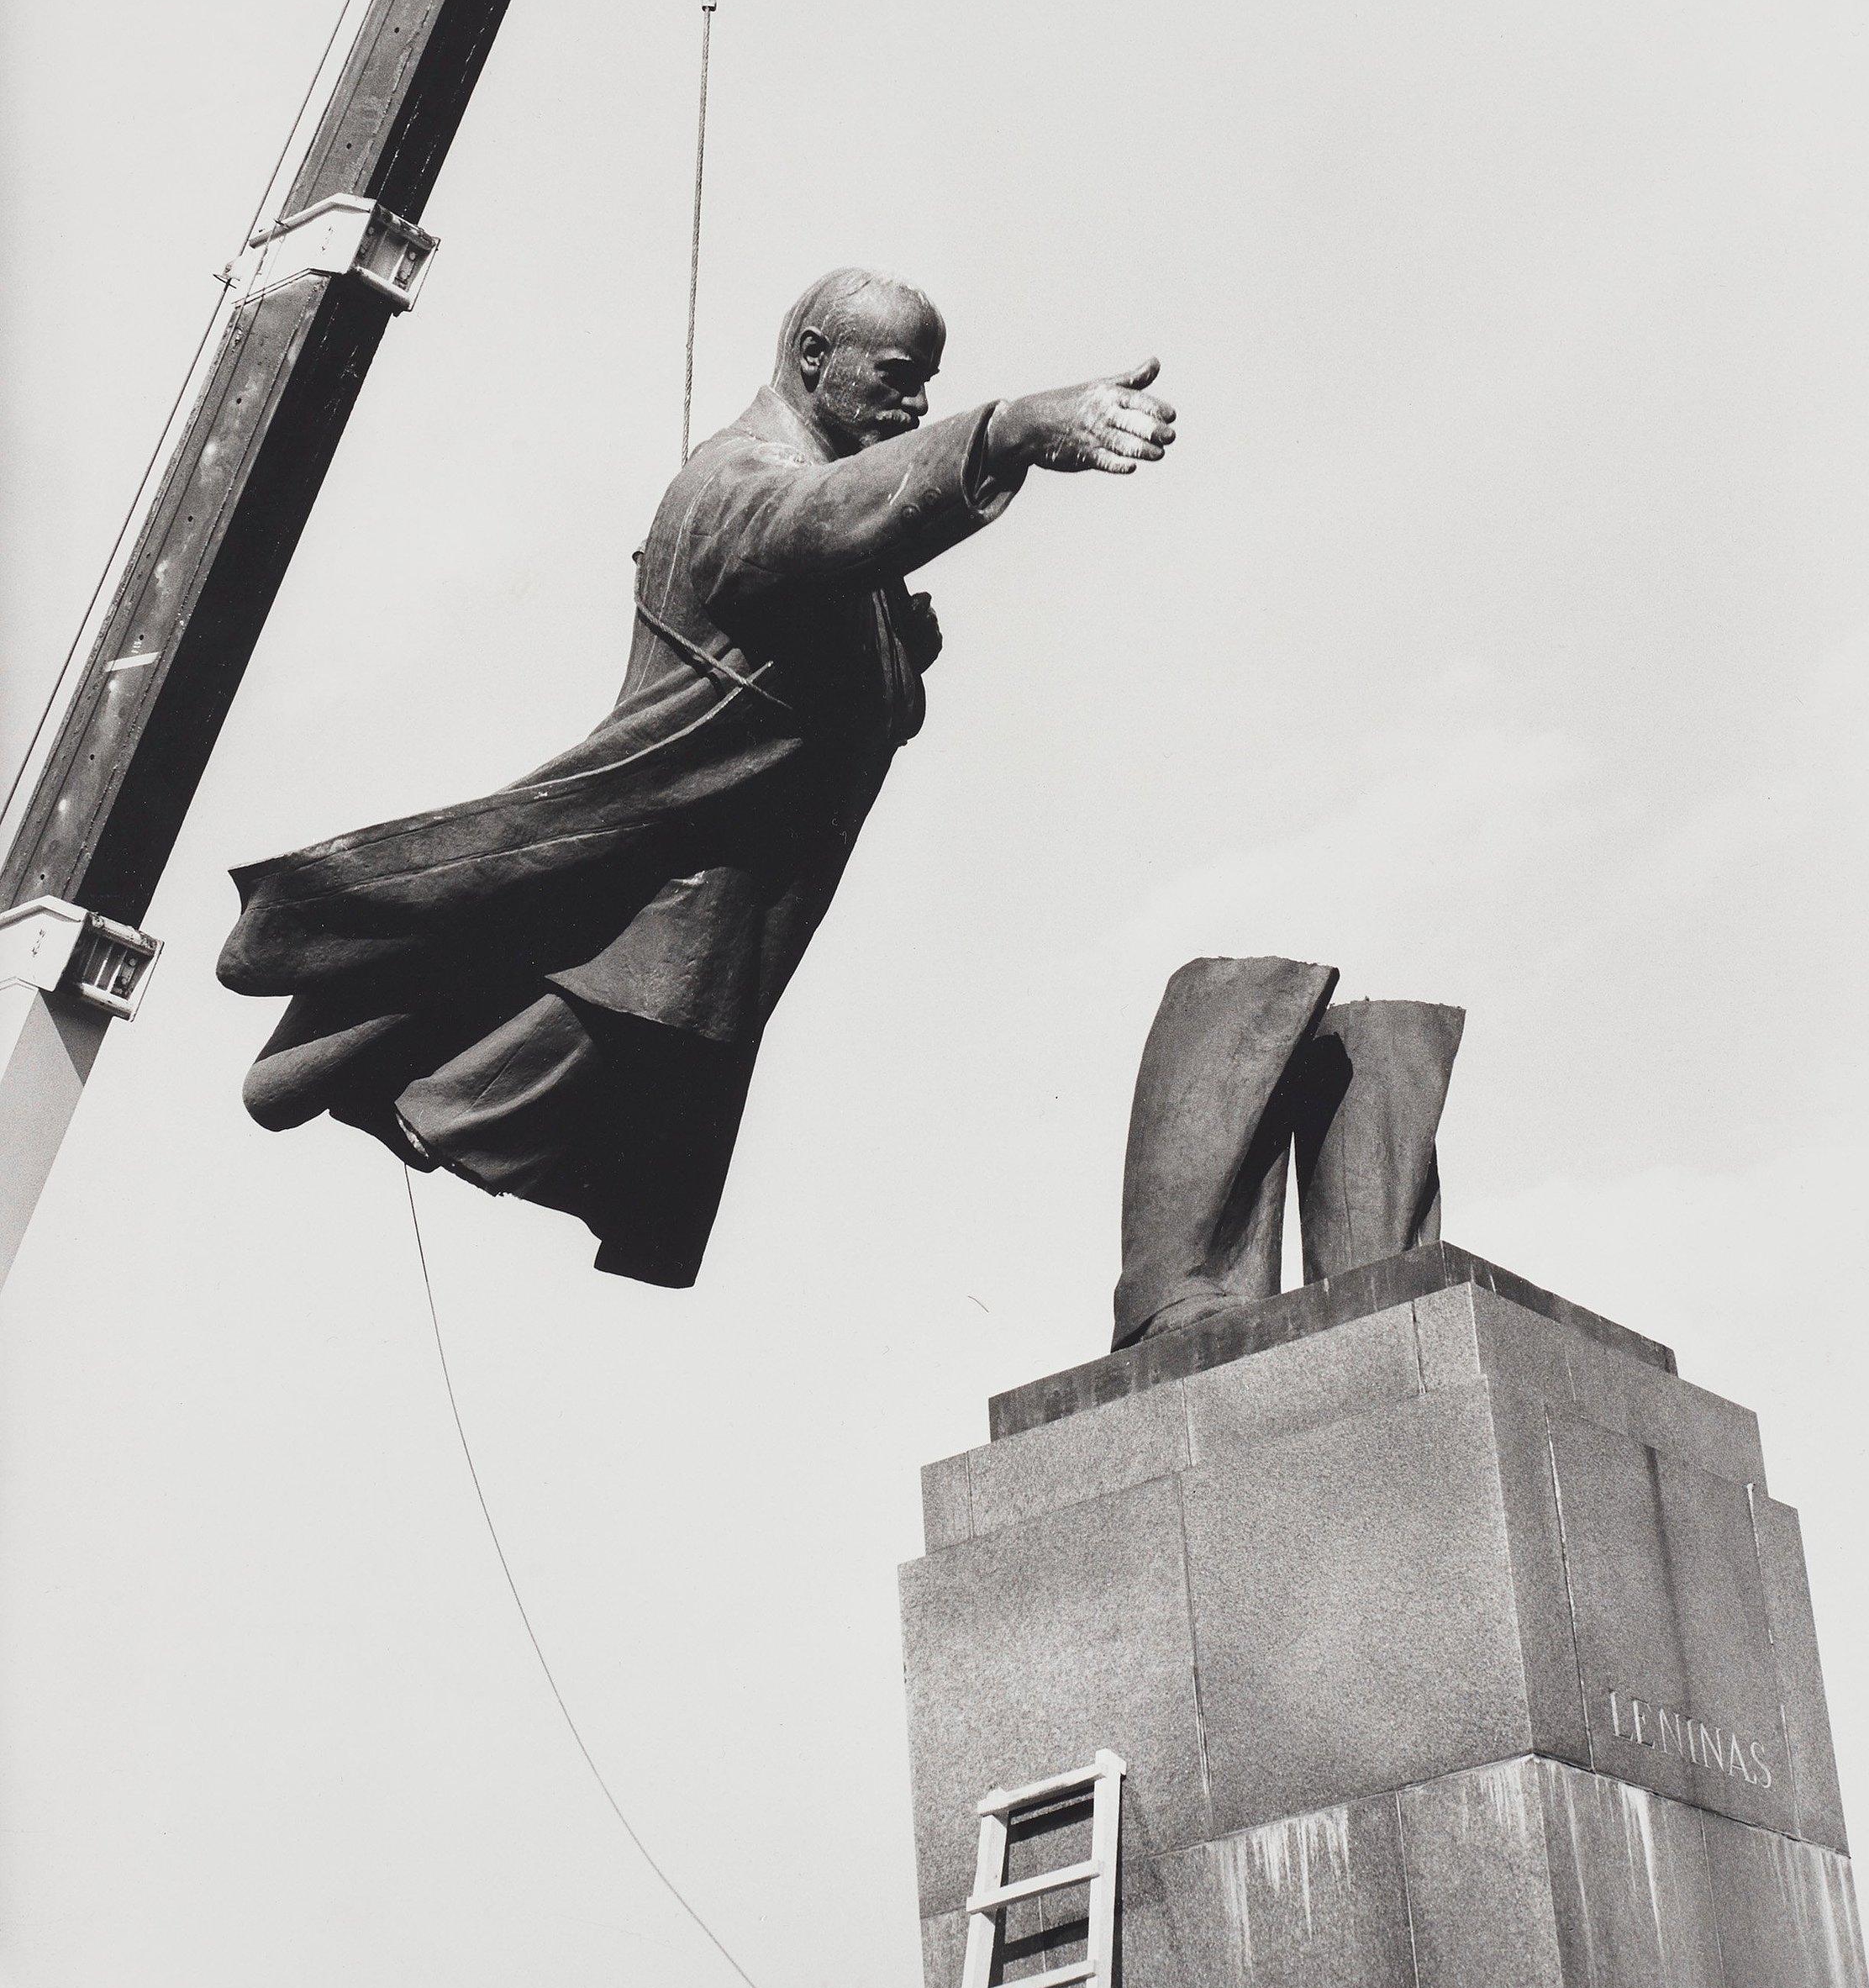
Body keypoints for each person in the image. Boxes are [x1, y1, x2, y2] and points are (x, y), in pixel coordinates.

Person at [218, 269, 1177, 1287]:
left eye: (931, 388)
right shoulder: (736, 482)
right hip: (654, 914)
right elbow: (819, 524)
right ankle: (354, 1060)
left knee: (613, 1092)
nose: (917, 407)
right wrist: (1009, 431)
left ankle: (375, 1066)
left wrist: (897, 661)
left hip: (714, 933)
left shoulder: (806, 488)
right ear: (813, 359)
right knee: (508, 1052)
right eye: (899, 379)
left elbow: (815, 657)